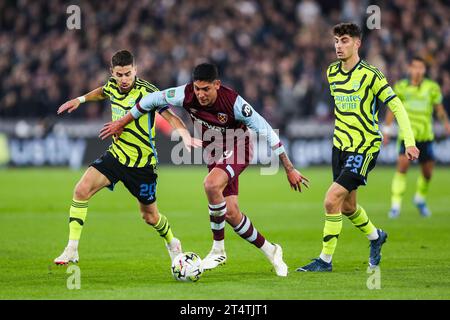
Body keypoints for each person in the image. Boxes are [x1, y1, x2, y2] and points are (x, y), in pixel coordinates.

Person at [99, 63, 310, 277]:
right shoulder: (185, 94)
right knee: (230, 212)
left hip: (238, 146)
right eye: (197, 88)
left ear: (217, 85)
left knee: (210, 184)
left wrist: (289, 167)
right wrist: (122, 122)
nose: (200, 94)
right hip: (213, 151)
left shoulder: (234, 103)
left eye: (206, 89)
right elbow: (149, 100)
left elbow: (266, 130)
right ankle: (272, 250)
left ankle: (218, 250)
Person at [53, 50, 200, 265]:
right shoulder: (112, 86)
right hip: (117, 156)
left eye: (128, 74)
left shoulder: (148, 92)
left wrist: (185, 135)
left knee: (150, 217)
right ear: (112, 72)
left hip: (143, 165)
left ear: (135, 70)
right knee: (81, 190)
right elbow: (102, 92)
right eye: (119, 74)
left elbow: (171, 116)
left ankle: (172, 241)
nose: (123, 79)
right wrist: (80, 99)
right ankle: (72, 249)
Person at [296, 23, 419, 272]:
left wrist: (409, 141)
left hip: (363, 148)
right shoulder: (332, 72)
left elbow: (396, 106)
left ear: (357, 43)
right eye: (336, 41)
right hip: (339, 146)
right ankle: (376, 236)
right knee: (348, 206)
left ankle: (325, 261)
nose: (338, 46)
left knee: (331, 200)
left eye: (344, 40)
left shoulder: (371, 75)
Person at [384, 56, 450, 218]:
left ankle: (420, 199)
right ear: (410, 69)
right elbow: (392, 109)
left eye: (421, 67)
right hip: (407, 138)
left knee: (427, 173)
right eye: (415, 67)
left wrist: (446, 123)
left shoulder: (432, 87)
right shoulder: (401, 87)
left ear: (424, 70)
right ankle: (395, 206)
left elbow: (439, 108)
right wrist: (386, 130)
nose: (418, 71)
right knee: (402, 168)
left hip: (426, 136)